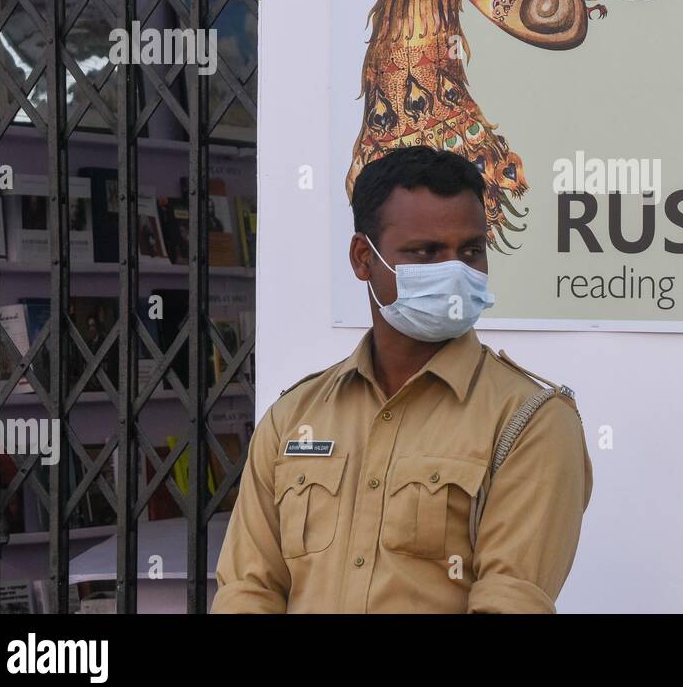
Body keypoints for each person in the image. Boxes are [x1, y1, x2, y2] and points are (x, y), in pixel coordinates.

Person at [212, 147, 593, 613]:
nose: (455, 271)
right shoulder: (294, 416)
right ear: (363, 258)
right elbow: (248, 590)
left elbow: (510, 600)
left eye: (471, 251)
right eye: (426, 252)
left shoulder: (530, 421)